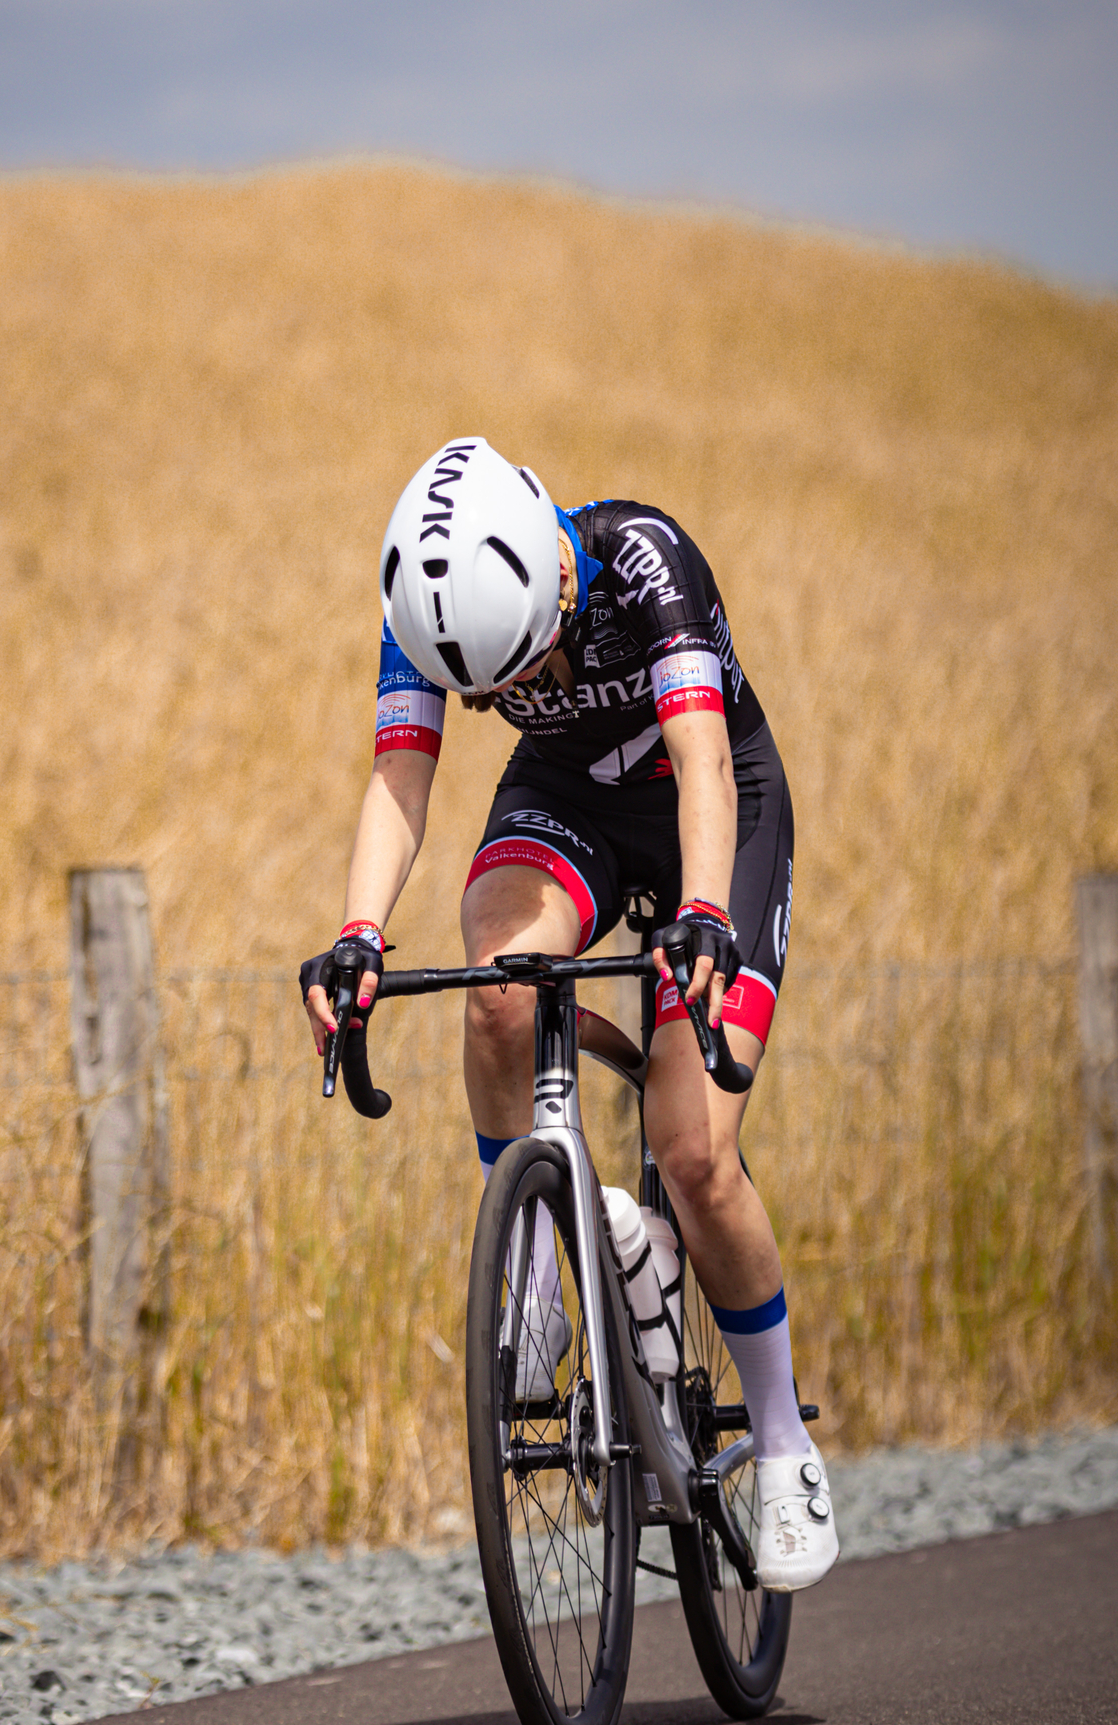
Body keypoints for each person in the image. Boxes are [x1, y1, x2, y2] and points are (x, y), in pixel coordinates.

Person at [300, 435, 836, 1590]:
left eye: (529, 668)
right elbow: (400, 777)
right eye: (495, 692)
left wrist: (698, 913)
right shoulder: (422, 609)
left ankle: (784, 1441)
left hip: (708, 804)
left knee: (693, 1154)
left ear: (549, 577)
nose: (519, 696)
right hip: (568, 802)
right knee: (494, 995)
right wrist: (353, 937)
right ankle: (550, 1250)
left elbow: (698, 759)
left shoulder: (643, 561)